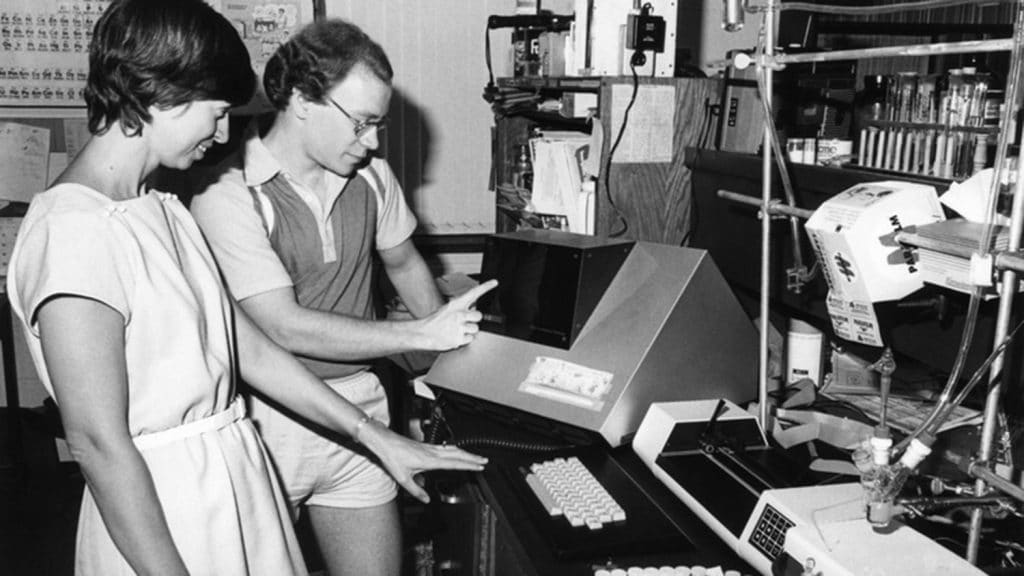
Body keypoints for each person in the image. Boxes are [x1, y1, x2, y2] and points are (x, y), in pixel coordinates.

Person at [7, 2, 490, 575]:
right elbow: (97, 445)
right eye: (215, 111)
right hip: (161, 510)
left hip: (229, 478)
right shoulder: (74, 230)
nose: (221, 132)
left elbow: (252, 348)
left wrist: (375, 436)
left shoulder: (158, 206)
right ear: (160, 92)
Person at [190, 18, 496, 576]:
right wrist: (415, 334)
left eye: (378, 124)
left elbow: (404, 263)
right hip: (265, 418)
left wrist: (448, 363)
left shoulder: (372, 175)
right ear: (303, 99)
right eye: (362, 124)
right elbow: (282, 326)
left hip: (361, 408)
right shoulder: (227, 190)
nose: (374, 142)